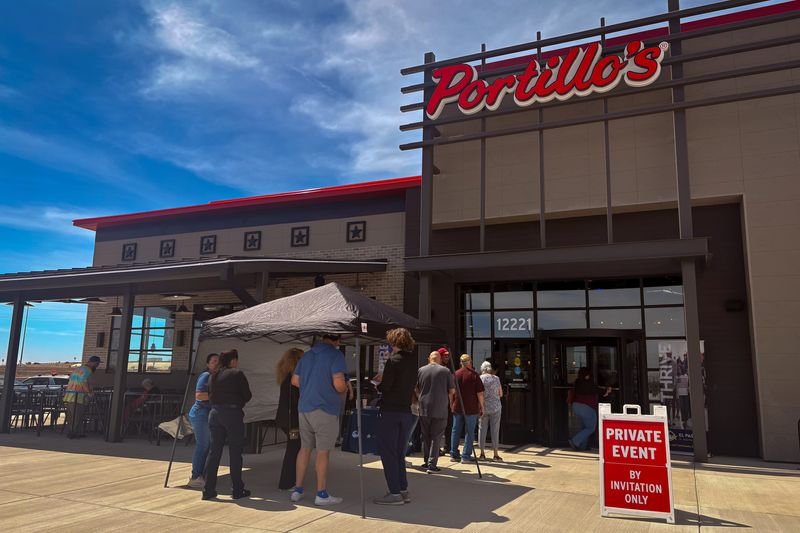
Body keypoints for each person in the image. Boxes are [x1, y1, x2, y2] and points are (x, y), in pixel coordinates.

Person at [291, 334, 348, 506]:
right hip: (325, 408)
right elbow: (339, 384)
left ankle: (297, 490)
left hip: (304, 407)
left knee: (304, 448)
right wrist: (346, 387)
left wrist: (311, 386)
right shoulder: (336, 355)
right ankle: (321, 494)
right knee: (323, 452)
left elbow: (295, 380)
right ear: (337, 340)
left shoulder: (307, 355)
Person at [373, 328, 418, 506]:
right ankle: (402, 489)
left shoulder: (393, 360)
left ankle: (394, 492)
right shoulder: (412, 361)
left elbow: (386, 387)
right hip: (406, 411)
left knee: (388, 452)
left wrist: (378, 383)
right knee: (399, 452)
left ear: (393, 341)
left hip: (390, 410)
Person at [202, 349, 252, 500]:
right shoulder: (237, 374)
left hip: (215, 413)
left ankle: (208, 489)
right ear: (233, 360)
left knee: (214, 452)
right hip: (232, 414)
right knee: (235, 452)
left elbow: (209, 395)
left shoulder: (213, 376)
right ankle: (237, 489)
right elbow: (247, 395)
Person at [416, 350, 455, 473]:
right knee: (436, 437)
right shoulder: (445, 371)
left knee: (426, 436)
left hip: (424, 408)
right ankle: (432, 465)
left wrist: (420, 397)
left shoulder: (421, 370)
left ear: (429, 359)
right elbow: (452, 390)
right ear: (439, 359)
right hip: (440, 408)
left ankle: (426, 461)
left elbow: (416, 388)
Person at [187, 353, 219, 488]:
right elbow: (199, 395)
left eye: (218, 361)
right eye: (213, 361)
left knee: (208, 445)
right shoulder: (206, 376)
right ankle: (195, 477)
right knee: (203, 445)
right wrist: (217, 394)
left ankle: (202, 474)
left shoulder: (216, 377)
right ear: (208, 364)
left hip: (208, 414)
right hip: (200, 414)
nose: (216, 364)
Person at [276, 347, 304, 490]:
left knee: (293, 449)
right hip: (292, 421)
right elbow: (295, 401)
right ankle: (287, 482)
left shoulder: (286, 376)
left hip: (286, 419)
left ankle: (288, 481)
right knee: (293, 450)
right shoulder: (293, 379)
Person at [450, 354, 484, 463]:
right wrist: (482, 406)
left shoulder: (455, 374)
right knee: (469, 432)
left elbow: (451, 392)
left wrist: (451, 403)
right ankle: (465, 456)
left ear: (460, 362)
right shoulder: (474, 375)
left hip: (457, 406)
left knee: (455, 430)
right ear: (470, 362)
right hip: (471, 407)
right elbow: (480, 393)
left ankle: (454, 454)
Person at [567, 367, 610, 451]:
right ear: (587, 375)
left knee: (585, 427)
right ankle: (575, 441)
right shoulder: (589, 383)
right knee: (591, 428)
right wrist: (607, 390)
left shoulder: (577, 382)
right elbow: (597, 390)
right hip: (587, 407)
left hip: (576, 406)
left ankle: (583, 446)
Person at [63, 355, 100, 439]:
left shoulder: (77, 369)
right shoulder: (88, 371)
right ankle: (75, 433)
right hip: (79, 396)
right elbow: (85, 383)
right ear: (93, 363)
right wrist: (89, 393)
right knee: (78, 416)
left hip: (69, 395)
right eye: (97, 364)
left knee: (71, 416)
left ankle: (75, 432)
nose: (97, 366)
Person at [478, 361, 503, 461]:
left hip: (483, 407)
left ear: (482, 369)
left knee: (482, 430)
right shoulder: (496, 378)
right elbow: (501, 394)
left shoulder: (480, 378)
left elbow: (479, 393)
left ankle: (482, 454)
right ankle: (495, 454)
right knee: (495, 430)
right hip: (496, 407)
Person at [436, 347, 454, 454]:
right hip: (439, 401)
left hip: (446, 401)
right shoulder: (441, 369)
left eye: (448, 356)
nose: (447, 358)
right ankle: (436, 448)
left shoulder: (447, 369)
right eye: (445, 356)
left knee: (448, 425)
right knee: (438, 427)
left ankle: (448, 446)